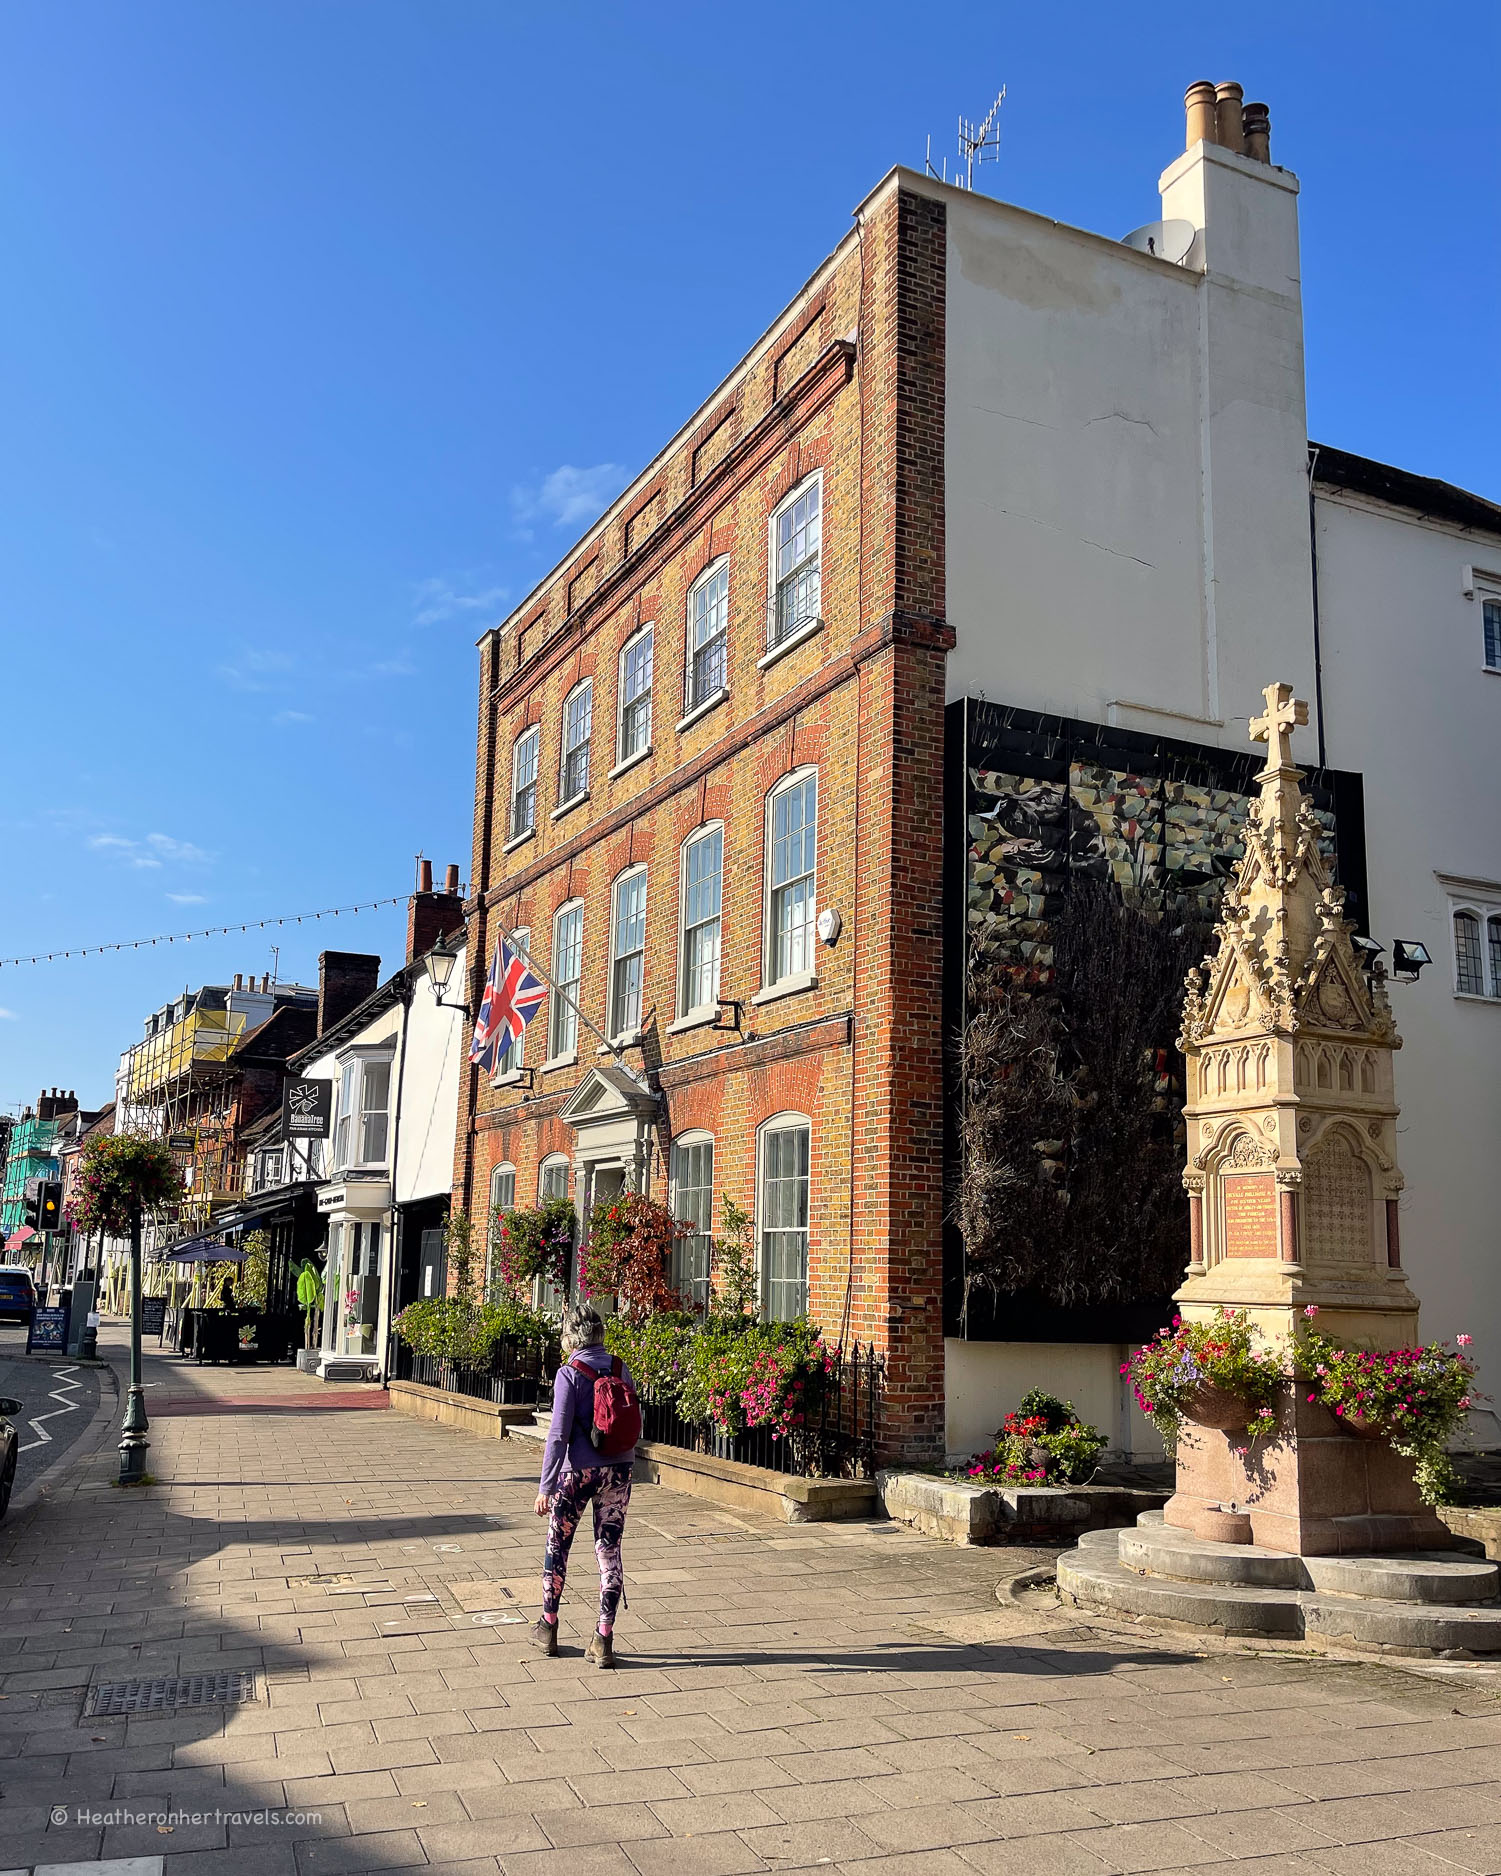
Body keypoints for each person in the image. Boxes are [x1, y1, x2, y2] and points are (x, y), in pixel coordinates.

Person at [533, 1300, 637, 1668]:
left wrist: (546, 1486)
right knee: (609, 1550)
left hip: (577, 1473)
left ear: (571, 1336)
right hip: (620, 1470)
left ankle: (548, 1626)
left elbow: (557, 1435)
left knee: (558, 1545)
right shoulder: (622, 1369)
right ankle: (604, 1637)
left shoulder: (569, 1373)